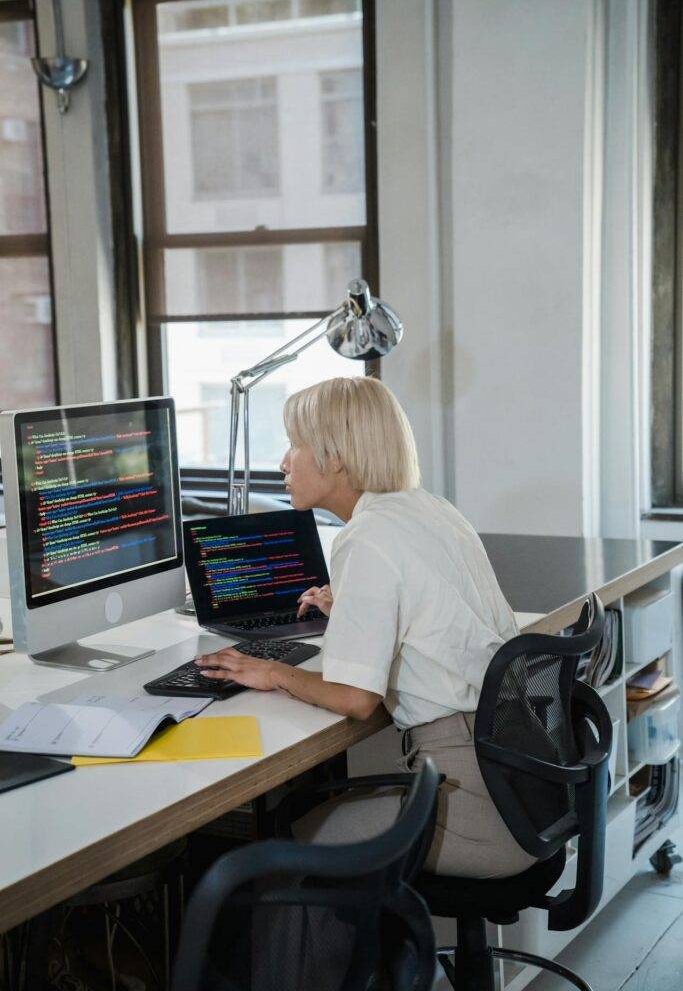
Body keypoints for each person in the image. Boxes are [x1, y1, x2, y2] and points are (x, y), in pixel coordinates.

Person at [195, 376, 534, 879]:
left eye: (295, 445)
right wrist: (355, 609)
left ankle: (346, 960)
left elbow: (356, 700)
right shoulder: (430, 508)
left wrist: (271, 672)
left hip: (476, 805)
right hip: (523, 784)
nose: (283, 463)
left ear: (334, 458)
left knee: (289, 839)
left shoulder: (367, 535)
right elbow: (438, 613)